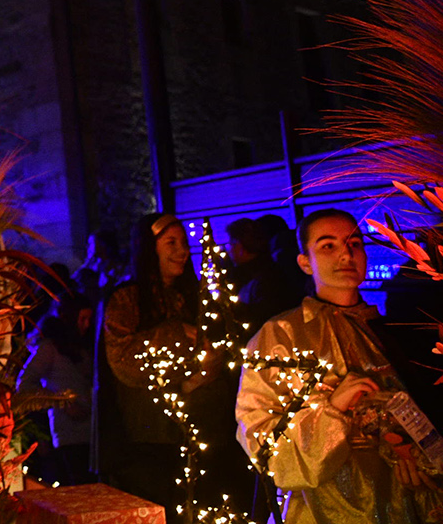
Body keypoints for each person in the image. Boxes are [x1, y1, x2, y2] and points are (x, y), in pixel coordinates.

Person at [236, 208, 443, 523]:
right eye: (328, 246)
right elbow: (263, 443)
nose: (346, 254)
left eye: (354, 243)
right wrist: (331, 410)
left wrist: (424, 463)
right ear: (305, 261)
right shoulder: (280, 336)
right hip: (326, 509)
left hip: (406, 504)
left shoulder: (392, 331)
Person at [94, 212, 249, 515]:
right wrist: (178, 337)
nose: (182, 250)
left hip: (204, 435)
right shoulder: (125, 299)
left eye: (183, 242)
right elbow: (123, 360)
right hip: (148, 441)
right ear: (149, 248)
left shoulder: (194, 297)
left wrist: (207, 370)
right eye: (171, 243)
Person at [17, 294, 95, 484]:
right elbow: (25, 383)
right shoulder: (50, 348)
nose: (86, 324)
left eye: (89, 319)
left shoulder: (86, 347)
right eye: (82, 318)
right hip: (69, 433)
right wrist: (61, 403)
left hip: (93, 432)